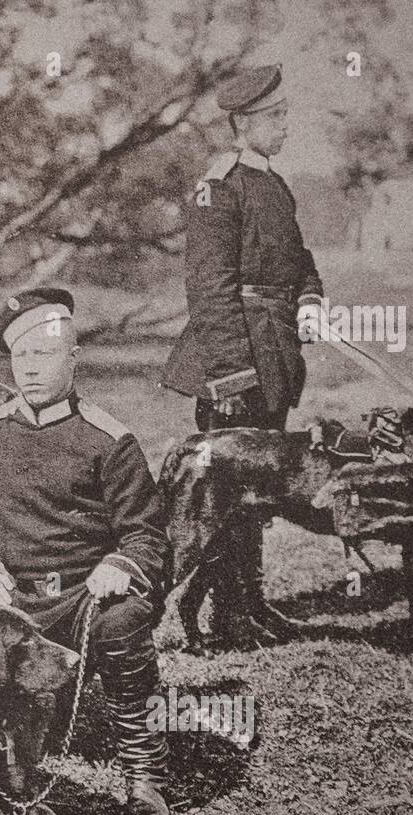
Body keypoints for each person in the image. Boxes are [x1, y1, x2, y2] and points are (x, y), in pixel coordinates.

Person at [0, 289, 172, 815]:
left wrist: (119, 565)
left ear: (73, 355)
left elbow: (148, 533)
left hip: (93, 594)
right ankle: (3, 764)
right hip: (21, 598)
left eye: (45, 355)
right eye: (21, 358)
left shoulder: (109, 439)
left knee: (122, 627)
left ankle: (144, 776)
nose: (31, 370)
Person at [160, 63, 325, 642]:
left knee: (259, 492)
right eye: (276, 118)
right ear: (246, 121)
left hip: (273, 357)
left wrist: (309, 301)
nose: (286, 127)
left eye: (285, 115)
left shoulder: (273, 184)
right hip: (232, 365)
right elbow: (208, 289)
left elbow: (300, 260)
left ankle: (248, 606)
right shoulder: (218, 187)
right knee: (219, 500)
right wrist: (231, 378)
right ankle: (222, 615)